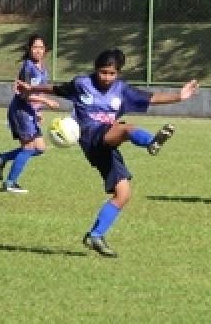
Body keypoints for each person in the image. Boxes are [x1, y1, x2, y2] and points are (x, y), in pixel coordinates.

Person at [20, 49, 199, 257]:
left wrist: (179, 96)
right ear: (96, 70)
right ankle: (152, 142)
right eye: (102, 72)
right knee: (127, 128)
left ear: (118, 73)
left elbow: (151, 98)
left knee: (123, 194)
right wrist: (32, 89)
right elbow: (56, 89)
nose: (106, 77)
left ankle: (95, 235)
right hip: (90, 137)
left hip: (105, 145)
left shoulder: (121, 90)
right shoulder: (81, 84)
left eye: (111, 73)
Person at [0, 35, 59, 193]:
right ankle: (10, 182)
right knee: (28, 148)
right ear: (29, 49)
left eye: (41, 48)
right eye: (35, 47)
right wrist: (46, 102)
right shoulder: (28, 68)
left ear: (45, 51)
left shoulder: (43, 69)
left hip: (30, 112)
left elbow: (38, 91)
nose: (38, 51)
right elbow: (24, 95)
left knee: (40, 148)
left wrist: (38, 111)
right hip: (21, 112)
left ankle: (2, 158)